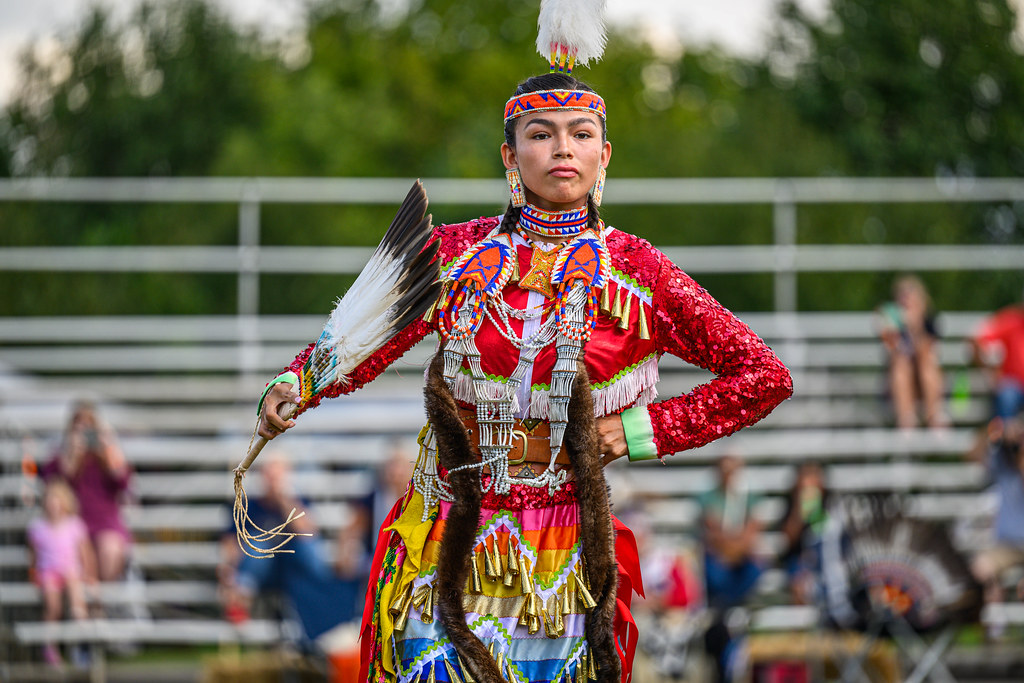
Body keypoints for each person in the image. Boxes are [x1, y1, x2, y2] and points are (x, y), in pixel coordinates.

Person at [253, 7, 793, 679]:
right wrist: (297, 383)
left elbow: (762, 374)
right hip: (448, 527)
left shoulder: (641, 273)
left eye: (581, 133)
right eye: (541, 134)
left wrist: (635, 428)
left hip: (563, 552)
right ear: (511, 156)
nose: (562, 148)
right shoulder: (457, 253)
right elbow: (368, 338)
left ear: (604, 155)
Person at [219, 453, 362, 640]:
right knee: (257, 542)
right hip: (263, 571)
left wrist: (285, 500)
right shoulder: (248, 504)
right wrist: (228, 571)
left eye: (277, 473)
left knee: (304, 542)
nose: (273, 479)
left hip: (294, 568)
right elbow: (231, 542)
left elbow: (309, 532)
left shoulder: (297, 501)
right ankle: (241, 594)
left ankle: (321, 584)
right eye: (269, 473)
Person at [41, 400, 132, 584]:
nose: (84, 432)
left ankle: (101, 600)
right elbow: (55, 488)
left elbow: (123, 482)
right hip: (71, 523)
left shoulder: (106, 457)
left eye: (90, 426)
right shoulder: (60, 458)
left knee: (111, 551)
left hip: (105, 522)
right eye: (79, 425)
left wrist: (110, 447)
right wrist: (71, 458)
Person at [26, 480, 96, 666]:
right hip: (48, 573)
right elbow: (33, 554)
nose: (53, 504)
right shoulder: (37, 527)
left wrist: (90, 575)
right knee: (53, 607)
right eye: (50, 499)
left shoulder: (74, 524)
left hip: (71, 571)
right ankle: (50, 645)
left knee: (77, 602)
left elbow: (85, 552)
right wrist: (33, 574)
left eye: (57, 499)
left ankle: (81, 641)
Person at [967, 417, 1024, 637]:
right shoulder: (1002, 464)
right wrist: (994, 429)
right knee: (980, 569)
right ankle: (994, 630)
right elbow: (972, 454)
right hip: (1006, 546)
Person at [876, 275, 946, 430]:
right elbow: (891, 351)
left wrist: (916, 329)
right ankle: (906, 418)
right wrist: (897, 327)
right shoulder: (890, 321)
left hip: (925, 382)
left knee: (926, 361)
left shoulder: (930, 321)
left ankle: (933, 414)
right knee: (901, 363)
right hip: (898, 382)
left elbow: (931, 353)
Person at [778, 461, 829, 605]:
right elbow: (788, 539)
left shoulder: (829, 503)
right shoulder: (791, 504)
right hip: (798, 559)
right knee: (799, 585)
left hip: (825, 557)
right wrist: (799, 510)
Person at [971, 290, 1024, 421]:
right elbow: (978, 339)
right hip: (1014, 385)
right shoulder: (1011, 321)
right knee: (1006, 395)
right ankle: (1005, 438)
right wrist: (990, 371)